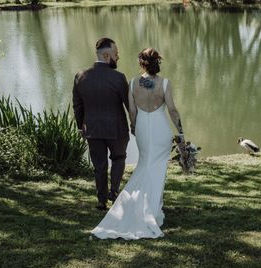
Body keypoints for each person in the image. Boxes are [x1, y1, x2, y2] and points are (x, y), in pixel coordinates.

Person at [91, 48, 184, 240]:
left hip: (142, 128)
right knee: (157, 168)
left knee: (144, 165)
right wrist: (180, 132)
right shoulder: (165, 83)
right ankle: (153, 211)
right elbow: (173, 110)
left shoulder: (132, 83)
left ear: (141, 63)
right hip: (160, 130)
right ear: (158, 62)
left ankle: (144, 208)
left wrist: (135, 127)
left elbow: (131, 112)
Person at [73, 37, 130, 211]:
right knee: (118, 159)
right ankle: (113, 192)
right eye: (116, 54)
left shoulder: (81, 76)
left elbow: (77, 105)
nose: (118, 57)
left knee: (99, 165)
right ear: (106, 56)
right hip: (117, 129)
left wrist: (80, 126)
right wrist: (135, 123)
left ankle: (101, 200)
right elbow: (129, 105)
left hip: (93, 129)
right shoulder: (119, 78)